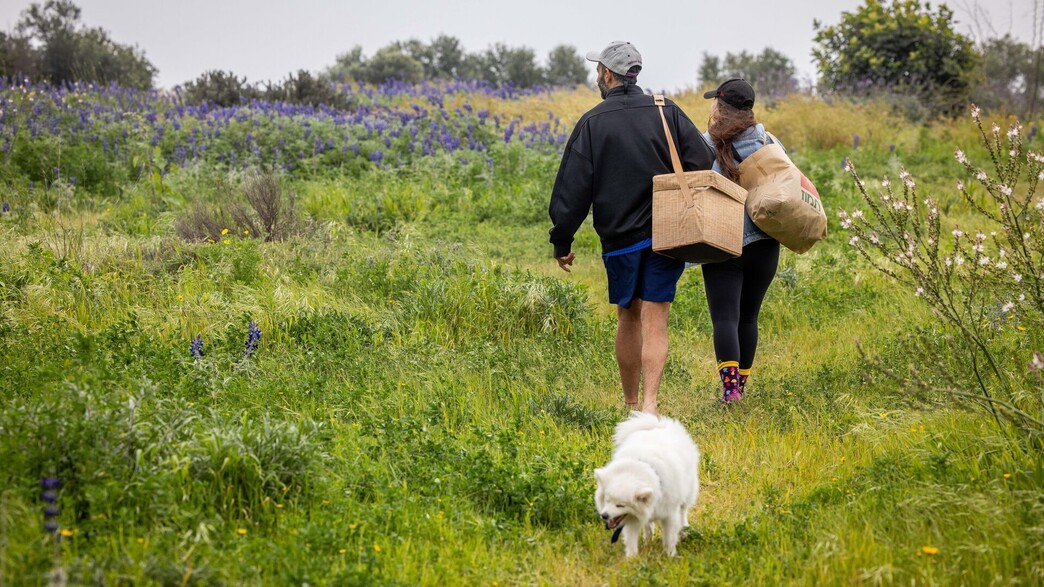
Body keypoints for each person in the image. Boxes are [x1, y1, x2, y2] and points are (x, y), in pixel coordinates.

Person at [548, 41, 715, 414]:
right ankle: (651, 406)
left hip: (620, 239)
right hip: (668, 232)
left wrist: (562, 240)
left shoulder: (592, 122)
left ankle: (631, 404)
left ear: (608, 75)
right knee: (656, 316)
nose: (597, 76)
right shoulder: (666, 110)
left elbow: (573, 189)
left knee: (628, 315)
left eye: (598, 71)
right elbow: (703, 160)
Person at [699, 78, 781, 403]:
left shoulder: (706, 145)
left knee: (725, 318)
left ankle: (730, 391)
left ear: (720, 106)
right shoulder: (769, 142)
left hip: (722, 242)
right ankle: (740, 389)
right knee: (748, 316)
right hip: (765, 243)